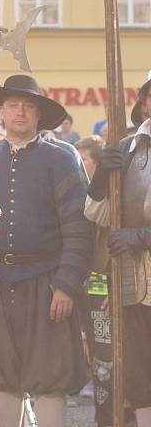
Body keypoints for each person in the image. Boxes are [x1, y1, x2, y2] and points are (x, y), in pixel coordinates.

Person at [0, 74, 93, 427]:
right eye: (13, 105)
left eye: (28, 106)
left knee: (50, 376)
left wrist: (66, 284)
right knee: (0, 374)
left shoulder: (62, 158)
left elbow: (80, 227)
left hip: (46, 281)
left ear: (38, 114)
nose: (20, 112)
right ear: (1, 112)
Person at [84, 72, 151, 427]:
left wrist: (142, 237)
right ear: (143, 104)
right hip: (129, 282)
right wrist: (99, 180)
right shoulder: (127, 149)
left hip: (138, 255)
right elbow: (96, 214)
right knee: (139, 374)